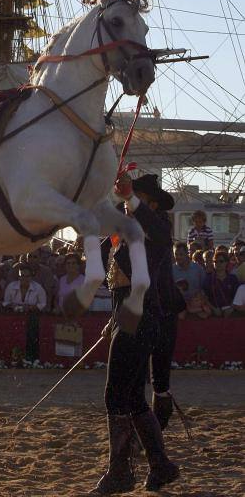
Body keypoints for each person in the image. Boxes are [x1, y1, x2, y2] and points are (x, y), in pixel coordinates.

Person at [92, 173, 180, 495]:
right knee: (130, 397)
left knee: (115, 395)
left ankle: (120, 472)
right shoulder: (125, 233)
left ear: (150, 204)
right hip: (129, 316)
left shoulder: (156, 229)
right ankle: (160, 465)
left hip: (140, 318)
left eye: (136, 198)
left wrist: (130, 201)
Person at [203, 251, 238, 317]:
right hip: (214, 312)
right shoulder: (208, 279)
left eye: (221, 261)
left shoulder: (233, 279)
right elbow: (205, 297)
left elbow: (237, 297)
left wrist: (231, 308)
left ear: (227, 262)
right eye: (215, 261)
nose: (218, 263)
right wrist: (213, 309)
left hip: (230, 312)